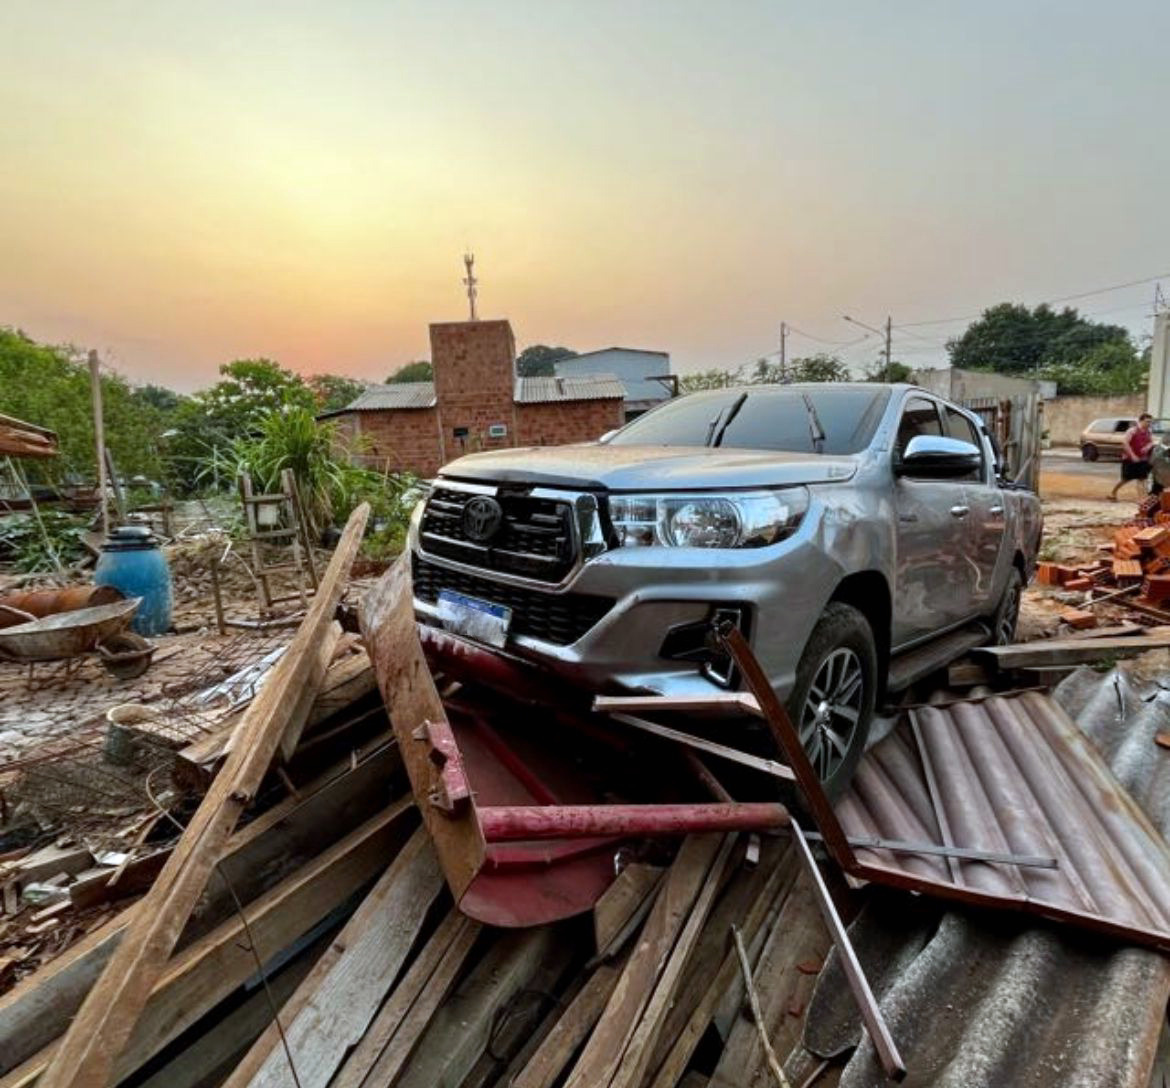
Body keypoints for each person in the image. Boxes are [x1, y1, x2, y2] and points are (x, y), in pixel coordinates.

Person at [1109, 413, 1155, 501]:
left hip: (1143, 459)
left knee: (1142, 479)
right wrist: (1133, 455)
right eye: (1147, 422)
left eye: (1150, 422)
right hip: (1129, 459)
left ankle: (1142, 499)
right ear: (1141, 421)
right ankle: (1113, 492)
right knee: (1126, 479)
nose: (1149, 424)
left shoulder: (1149, 431)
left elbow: (1151, 442)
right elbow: (1125, 443)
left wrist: (1147, 447)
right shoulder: (1132, 431)